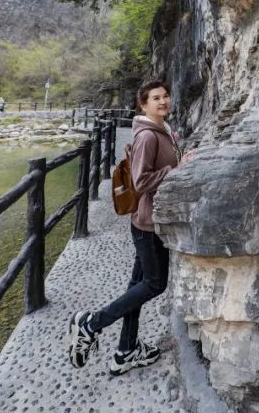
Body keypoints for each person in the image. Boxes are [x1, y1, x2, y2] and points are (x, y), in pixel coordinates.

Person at [67, 79, 194, 374]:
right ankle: (91, 323)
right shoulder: (149, 136)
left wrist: (179, 159)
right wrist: (178, 169)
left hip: (149, 221)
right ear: (143, 104)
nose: (163, 101)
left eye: (165, 96)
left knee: (137, 287)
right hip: (148, 224)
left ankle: (125, 351)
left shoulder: (162, 131)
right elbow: (141, 181)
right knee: (154, 283)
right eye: (155, 98)